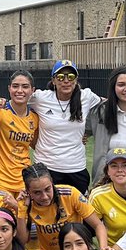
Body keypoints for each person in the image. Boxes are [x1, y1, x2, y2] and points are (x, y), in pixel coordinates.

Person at [29, 60, 102, 194]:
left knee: (78, 206)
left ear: (76, 80)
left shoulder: (86, 96)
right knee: (47, 205)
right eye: (61, 77)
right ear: (53, 80)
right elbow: (17, 102)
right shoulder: (40, 98)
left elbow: (107, 105)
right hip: (46, 167)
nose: (66, 81)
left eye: (71, 76)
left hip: (76, 167)